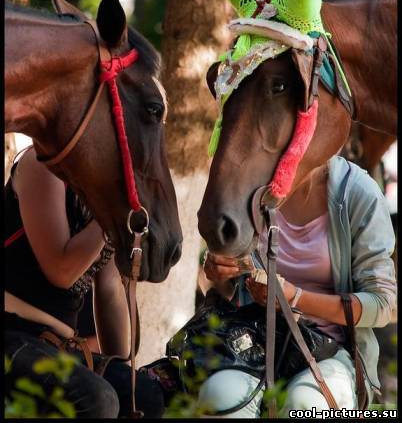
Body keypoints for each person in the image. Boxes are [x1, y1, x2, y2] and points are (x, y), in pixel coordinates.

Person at [199, 155, 397, 417]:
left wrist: (294, 297)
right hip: (254, 343)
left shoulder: (357, 191)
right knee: (218, 396)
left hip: (333, 353)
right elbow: (221, 291)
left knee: (305, 405)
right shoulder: (252, 185)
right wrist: (218, 272)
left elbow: (382, 305)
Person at [5, 146, 165, 418]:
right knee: (97, 400)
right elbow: (61, 270)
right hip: (13, 331)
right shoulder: (42, 163)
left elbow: (110, 287)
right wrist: (110, 217)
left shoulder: (102, 189)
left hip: (58, 347)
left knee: (146, 396)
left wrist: (123, 369)